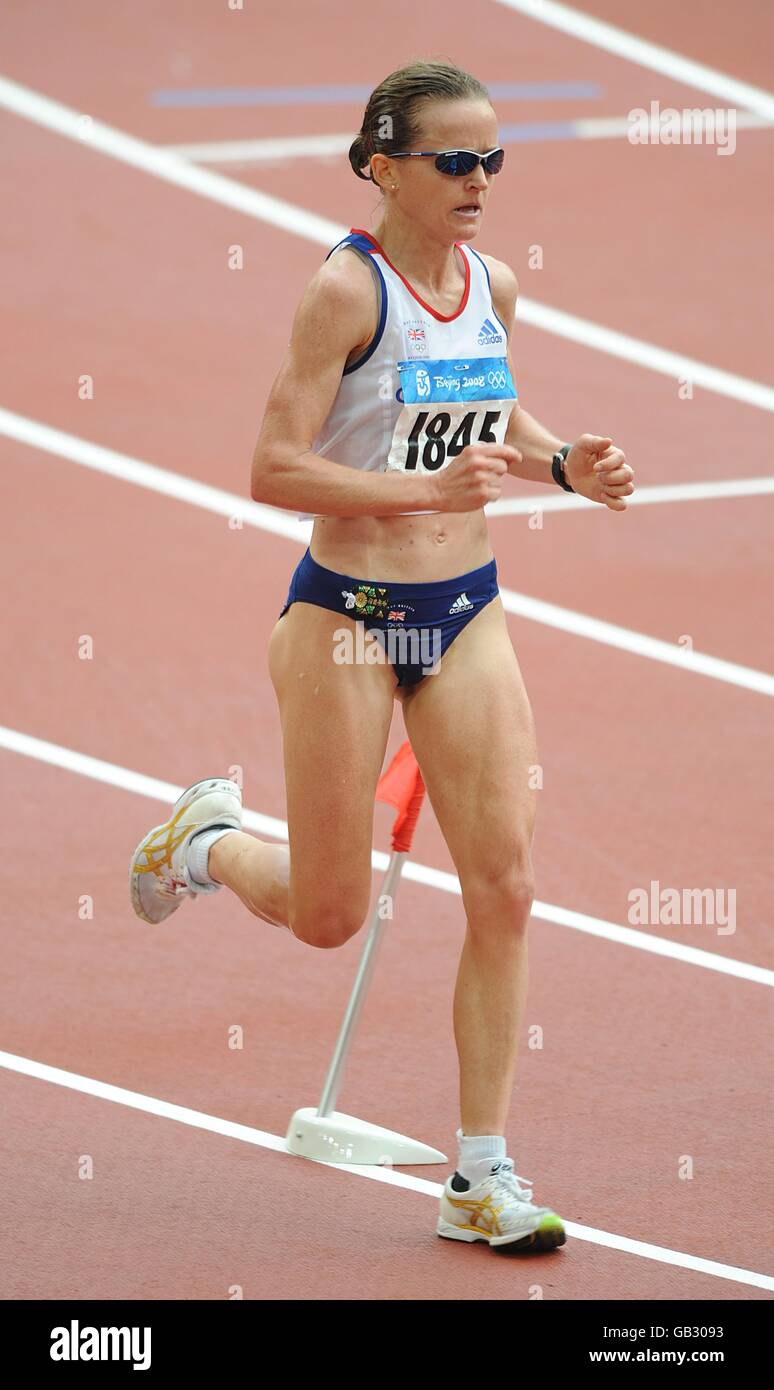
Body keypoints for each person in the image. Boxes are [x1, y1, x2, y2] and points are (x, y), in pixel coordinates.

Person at [129, 60, 634, 1252]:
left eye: (493, 161)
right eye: (453, 161)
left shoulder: (492, 283)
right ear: (384, 166)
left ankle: (480, 1173)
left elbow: (489, 405)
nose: (478, 183)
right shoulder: (340, 293)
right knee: (327, 914)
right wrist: (413, 487)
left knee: (505, 885)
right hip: (348, 615)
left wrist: (563, 463)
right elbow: (271, 467)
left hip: (465, 608)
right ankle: (204, 840)